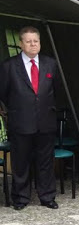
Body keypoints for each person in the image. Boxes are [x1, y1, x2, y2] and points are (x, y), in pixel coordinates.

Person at [0, 26, 60, 210]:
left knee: (45, 162)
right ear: (21, 44)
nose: (33, 44)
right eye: (28, 41)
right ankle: (20, 198)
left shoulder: (50, 64)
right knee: (21, 163)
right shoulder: (9, 66)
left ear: (40, 43)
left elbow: (56, 91)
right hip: (21, 122)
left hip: (45, 121)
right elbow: (2, 94)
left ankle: (47, 196)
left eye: (36, 41)